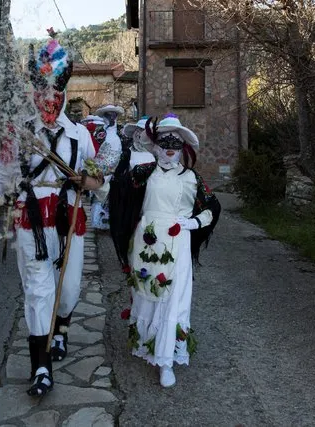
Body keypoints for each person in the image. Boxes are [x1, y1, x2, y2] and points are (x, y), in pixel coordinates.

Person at [0, 34, 100, 397]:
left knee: (68, 291)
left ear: (63, 95)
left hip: (69, 218)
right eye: (42, 92)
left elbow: (98, 181)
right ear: (34, 93)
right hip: (30, 217)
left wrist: (86, 180)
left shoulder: (80, 134)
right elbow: (0, 175)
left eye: (55, 93)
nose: (48, 99)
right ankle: (41, 367)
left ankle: (60, 327)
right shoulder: (17, 133)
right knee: (37, 290)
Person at [79, 113, 221, 388]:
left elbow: (212, 207)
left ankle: (166, 360)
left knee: (172, 299)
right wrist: (96, 185)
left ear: (183, 148)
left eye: (175, 143)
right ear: (155, 145)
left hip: (176, 243)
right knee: (146, 293)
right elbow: (118, 192)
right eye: (165, 141)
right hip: (146, 242)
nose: (170, 148)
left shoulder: (192, 177)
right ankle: (148, 344)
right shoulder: (144, 173)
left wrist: (191, 223)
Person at [88, 104, 124, 230]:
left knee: (108, 197)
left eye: (114, 116)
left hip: (112, 172)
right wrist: (98, 170)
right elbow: (94, 152)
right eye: (109, 116)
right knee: (99, 195)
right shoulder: (101, 133)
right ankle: (97, 221)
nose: (112, 118)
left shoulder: (118, 134)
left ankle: (105, 222)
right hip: (100, 171)